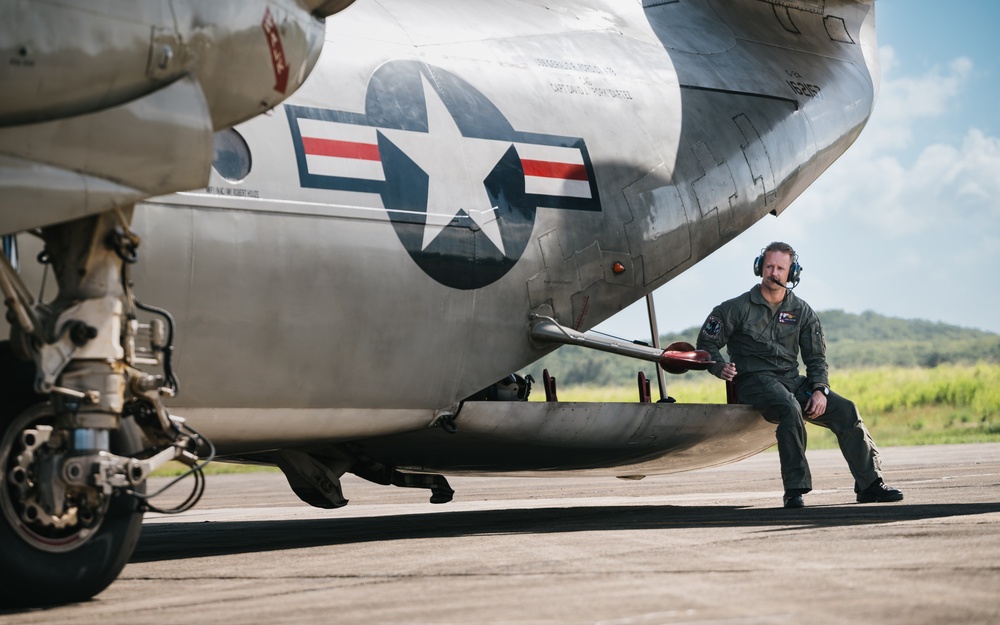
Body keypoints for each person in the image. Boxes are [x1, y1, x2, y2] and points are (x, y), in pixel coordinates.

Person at [696, 241, 903, 508]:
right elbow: (706, 344)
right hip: (753, 381)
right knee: (789, 407)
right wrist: (718, 366)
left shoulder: (802, 311)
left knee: (846, 410)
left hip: (792, 381)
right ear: (759, 268)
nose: (774, 272)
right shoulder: (734, 308)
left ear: (792, 273)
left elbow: (816, 357)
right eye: (769, 266)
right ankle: (794, 489)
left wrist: (819, 389)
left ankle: (870, 485)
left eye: (781, 268)